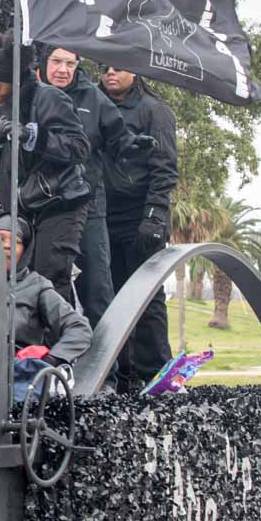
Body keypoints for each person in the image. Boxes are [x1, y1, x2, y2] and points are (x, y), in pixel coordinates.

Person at [36, 46, 154, 335]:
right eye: (56, 62)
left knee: (98, 289)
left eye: (70, 63)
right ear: (44, 63)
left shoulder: (93, 97)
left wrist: (133, 143)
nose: (63, 70)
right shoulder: (30, 94)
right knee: (48, 287)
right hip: (41, 206)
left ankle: (108, 362)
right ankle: (54, 355)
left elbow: (118, 137)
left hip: (88, 205)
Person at [0, 34, 93, 302]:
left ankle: (60, 330)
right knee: (20, 279)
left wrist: (34, 137)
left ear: (12, 80)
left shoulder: (50, 97)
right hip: (21, 208)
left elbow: (79, 148)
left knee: (50, 277)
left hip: (61, 203)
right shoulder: (0, 109)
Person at [100, 64, 179, 385]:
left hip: (141, 217)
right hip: (102, 217)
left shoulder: (154, 111)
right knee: (109, 299)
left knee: (147, 298)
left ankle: (155, 374)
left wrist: (154, 216)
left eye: (118, 67)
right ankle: (119, 375)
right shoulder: (94, 104)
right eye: (104, 67)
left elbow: (165, 169)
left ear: (134, 72)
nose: (110, 73)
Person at [0, 215, 94, 366]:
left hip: (17, 371)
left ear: (25, 250)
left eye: (16, 241)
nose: (7, 246)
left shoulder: (36, 285)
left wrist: (53, 358)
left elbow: (79, 327)